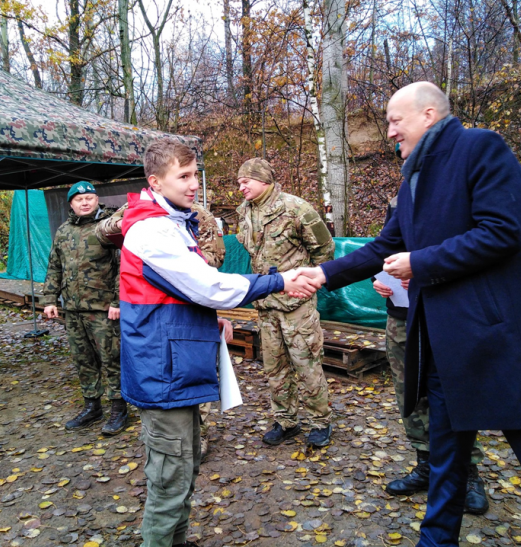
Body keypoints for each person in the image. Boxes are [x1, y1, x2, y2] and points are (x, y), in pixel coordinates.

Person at [295, 82, 521, 547]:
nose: (388, 132)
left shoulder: (480, 148)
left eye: (394, 120)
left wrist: (421, 263)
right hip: (443, 347)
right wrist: (323, 273)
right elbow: (385, 245)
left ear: (428, 114)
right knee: (445, 459)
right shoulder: (413, 178)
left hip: (498, 343)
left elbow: (501, 232)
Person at [117, 139, 316, 547]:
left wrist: (212, 320)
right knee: (170, 479)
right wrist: (278, 281)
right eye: (184, 176)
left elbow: (181, 293)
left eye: (195, 175)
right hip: (162, 370)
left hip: (175, 365)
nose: (194, 186)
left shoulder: (172, 222)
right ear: (155, 181)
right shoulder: (153, 229)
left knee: (185, 466)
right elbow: (205, 285)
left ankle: (177, 541)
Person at [374, 196, 489, 514]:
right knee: (409, 396)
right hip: (400, 318)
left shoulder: (457, 196)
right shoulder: (399, 200)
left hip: (445, 316)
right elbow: (386, 249)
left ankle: (468, 475)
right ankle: (426, 465)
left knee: (455, 396)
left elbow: (477, 250)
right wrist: (378, 279)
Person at [96, 199, 226, 458]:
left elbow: (217, 258)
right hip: (149, 306)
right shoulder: (138, 207)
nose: (189, 186)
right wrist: (130, 223)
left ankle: (197, 434)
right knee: (157, 369)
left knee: (193, 368)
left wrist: (178, 261)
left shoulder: (200, 215)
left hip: (190, 304)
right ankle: (163, 435)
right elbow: (102, 231)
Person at [236, 158, 335, 447]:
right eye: (239, 182)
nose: (241, 187)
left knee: (306, 365)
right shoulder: (244, 212)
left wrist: (309, 282)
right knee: (274, 367)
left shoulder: (296, 208)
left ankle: (320, 421)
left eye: (246, 181)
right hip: (266, 304)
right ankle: (286, 420)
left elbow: (324, 249)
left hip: (296, 305)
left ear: (264, 180)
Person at [43, 181, 128, 436]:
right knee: (83, 359)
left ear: (96, 200)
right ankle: (92, 406)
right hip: (73, 309)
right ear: (71, 203)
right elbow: (54, 266)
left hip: (103, 309)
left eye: (90, 198)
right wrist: (50, 299)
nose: (85, 202)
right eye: (79, 199)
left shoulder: (107, 229)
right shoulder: (63, 231)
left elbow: (122, 267)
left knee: (112, 358)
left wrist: (117, 302)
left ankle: (118, 409)